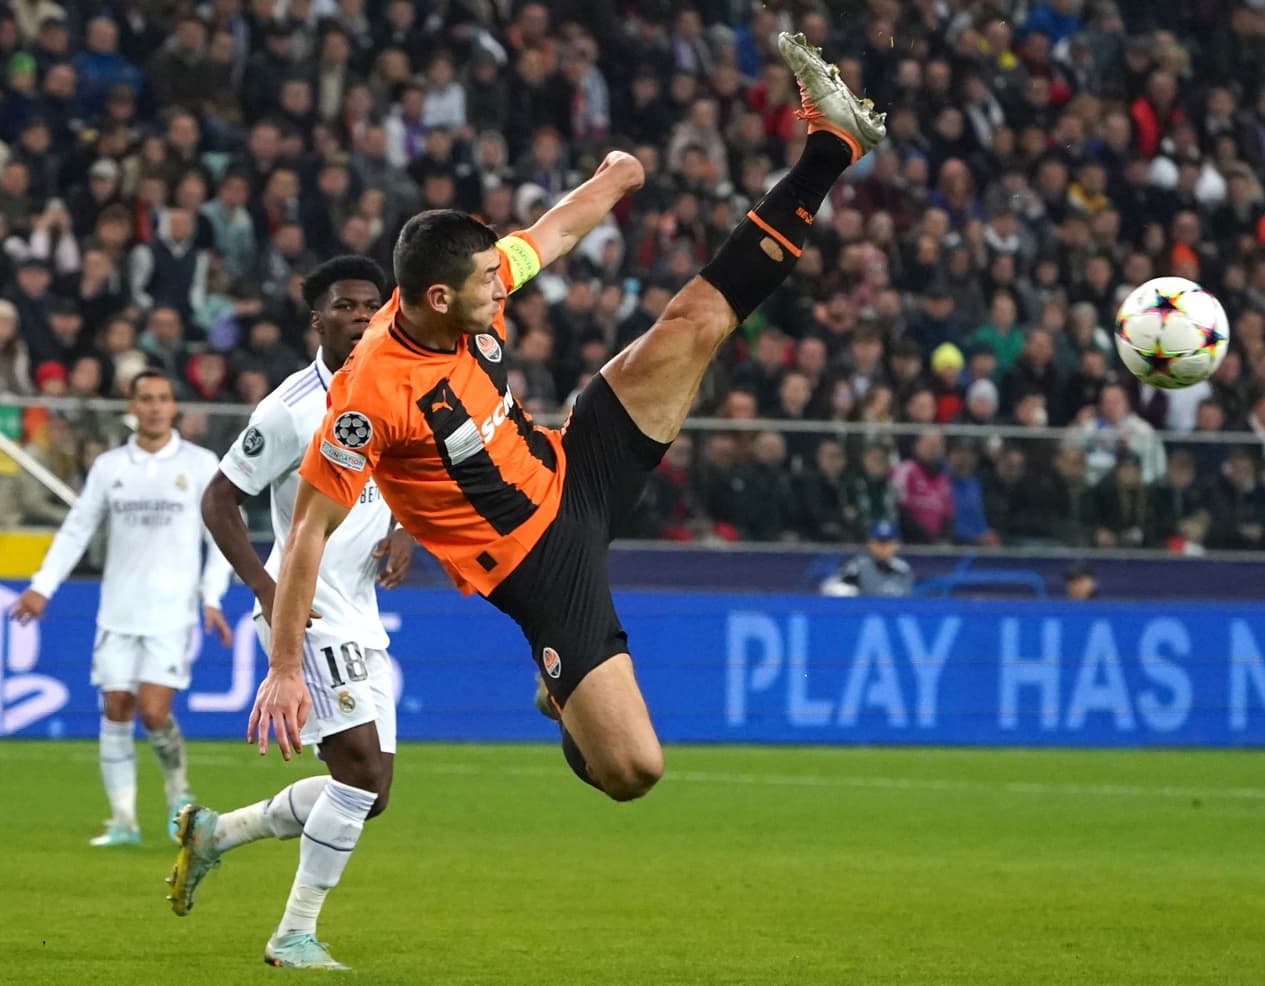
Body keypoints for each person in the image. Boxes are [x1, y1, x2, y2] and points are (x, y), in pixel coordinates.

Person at [250, 34, 883, 812]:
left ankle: (832, 144)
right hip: (538, 564)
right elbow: (306, 531)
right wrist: (284, 667)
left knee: (693, 322)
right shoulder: (368, 396)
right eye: (488, 280)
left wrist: (614, 179)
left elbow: (549, 234)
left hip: (571, 463)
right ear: (439, 300)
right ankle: (562, 698)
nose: (504, 283)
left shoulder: (469, 283)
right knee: (633, 772)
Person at [165, 257, 417, 970]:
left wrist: (404, 530)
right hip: (305, 612)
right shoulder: (289, 407)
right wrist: (264, 588)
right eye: (345, 306)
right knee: (360, 774)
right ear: (319, 320)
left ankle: (216, 833)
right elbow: (219, 498)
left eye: (373, 304)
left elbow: (405, 476)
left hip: (359, 608)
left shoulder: (393, 387)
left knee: (372, 793)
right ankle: (292, 935)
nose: (363, 316)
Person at [8, 370, 232, 846]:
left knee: (152, 712)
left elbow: (220, 539)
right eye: (146, 399)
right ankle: (124, 821)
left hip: (171, 611)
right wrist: (42, 586)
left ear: (173, 406)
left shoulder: (200, 463)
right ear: (132, 407)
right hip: (116, 610)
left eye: (163, 398)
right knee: (115, 706)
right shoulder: (111, 466)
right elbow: (78, 527)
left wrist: (211, 598)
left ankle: (178, 789)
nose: (154, 407)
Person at [819, 519, 915, 597]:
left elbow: (910, 600)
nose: (883, 547)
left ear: (896, 545)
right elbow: (827, 587)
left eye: (888, 542)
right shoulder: (858, 567)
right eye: (879, 542)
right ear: (870, 543)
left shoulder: (903, 570)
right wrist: (849, 592)